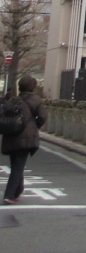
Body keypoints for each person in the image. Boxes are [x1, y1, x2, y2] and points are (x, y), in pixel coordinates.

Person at [2, 75, 47, 204]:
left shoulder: (12, 100)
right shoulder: (36, 101)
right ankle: (10, 195)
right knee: (18, 166)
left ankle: (18, 190)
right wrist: (34, 126)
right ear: (32, 87)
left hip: (11, 136)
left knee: (16, 165)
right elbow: (42, 117)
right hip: (27, 138)